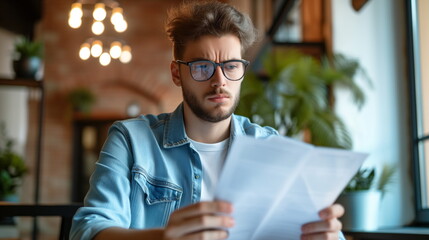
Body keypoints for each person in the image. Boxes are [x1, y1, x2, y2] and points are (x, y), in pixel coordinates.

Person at [70, 1, 345, 239]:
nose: (219, 81)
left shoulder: (269, 145)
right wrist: (164, 239)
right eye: (203, 67)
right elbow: (88, 229)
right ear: (177, 73)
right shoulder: (131, 140)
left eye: (231, 66)